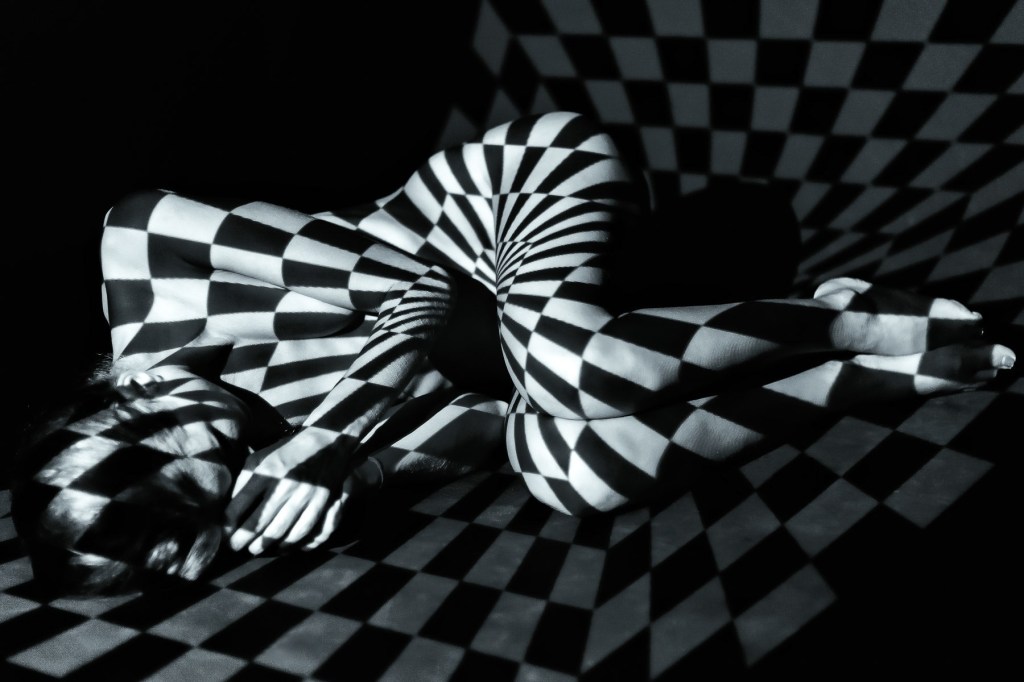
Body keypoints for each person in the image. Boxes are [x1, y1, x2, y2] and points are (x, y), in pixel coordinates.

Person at [11, 112, 1015, 595]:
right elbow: (490, 423)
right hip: (549, 348)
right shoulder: (254, 483)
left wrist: (330, 438)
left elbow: (420, 292)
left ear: (109, 416)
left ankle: (840, 320)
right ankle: (846, 377)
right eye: (203, 509)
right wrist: (364, 475)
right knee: (572, 473)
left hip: (500, 206)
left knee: (579, 366)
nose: (224, 467)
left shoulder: (146, 255)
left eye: (178, 468)